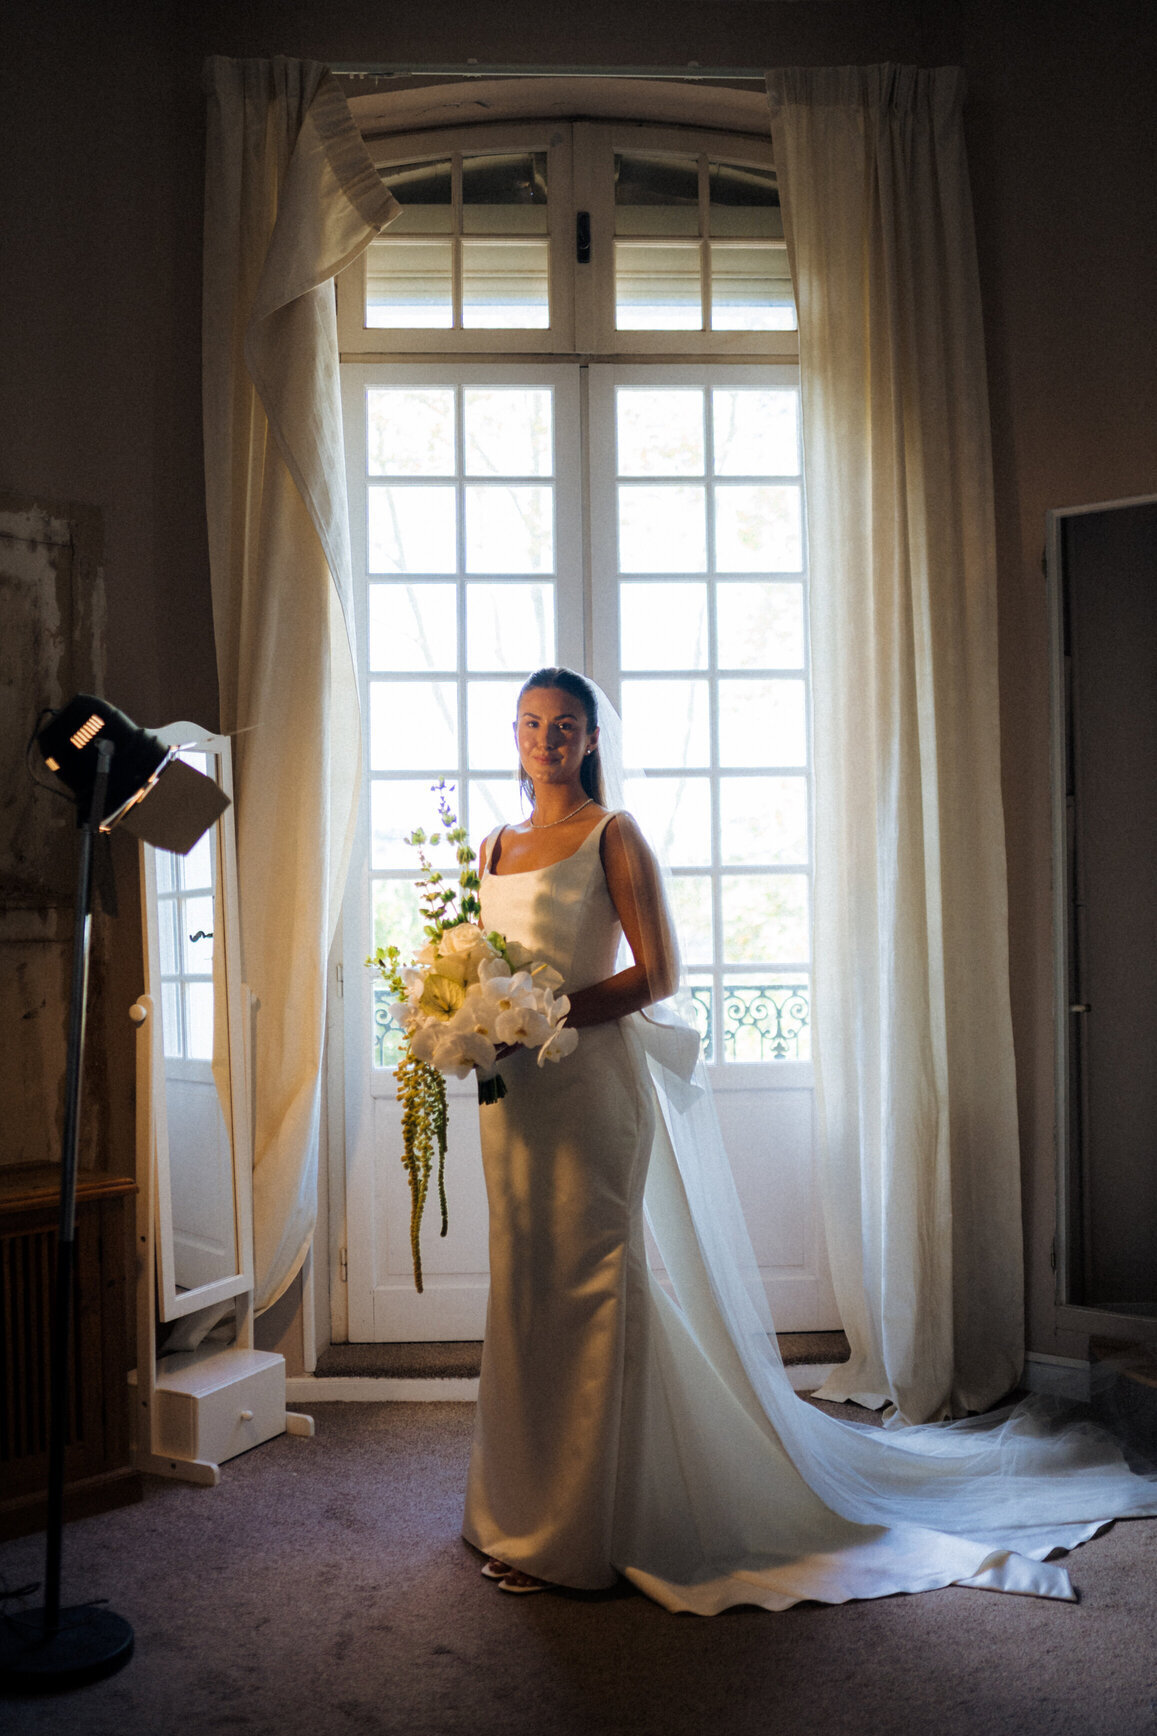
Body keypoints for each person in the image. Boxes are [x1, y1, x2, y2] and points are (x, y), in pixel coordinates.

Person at [462, 668, 1157, 1611]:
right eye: (531, 724)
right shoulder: (493, 844)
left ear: (590, 741)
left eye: (564, 726)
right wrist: (472, 1022)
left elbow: (658, 974)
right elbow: (478, 964)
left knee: (589, 1286)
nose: (544, 740)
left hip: (586, 1088)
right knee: (525, 1288)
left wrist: (544, 1014)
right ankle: (518, 1505)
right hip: (512, 1100)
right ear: (514, 734)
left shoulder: (613, 837)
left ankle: (574, 1533)